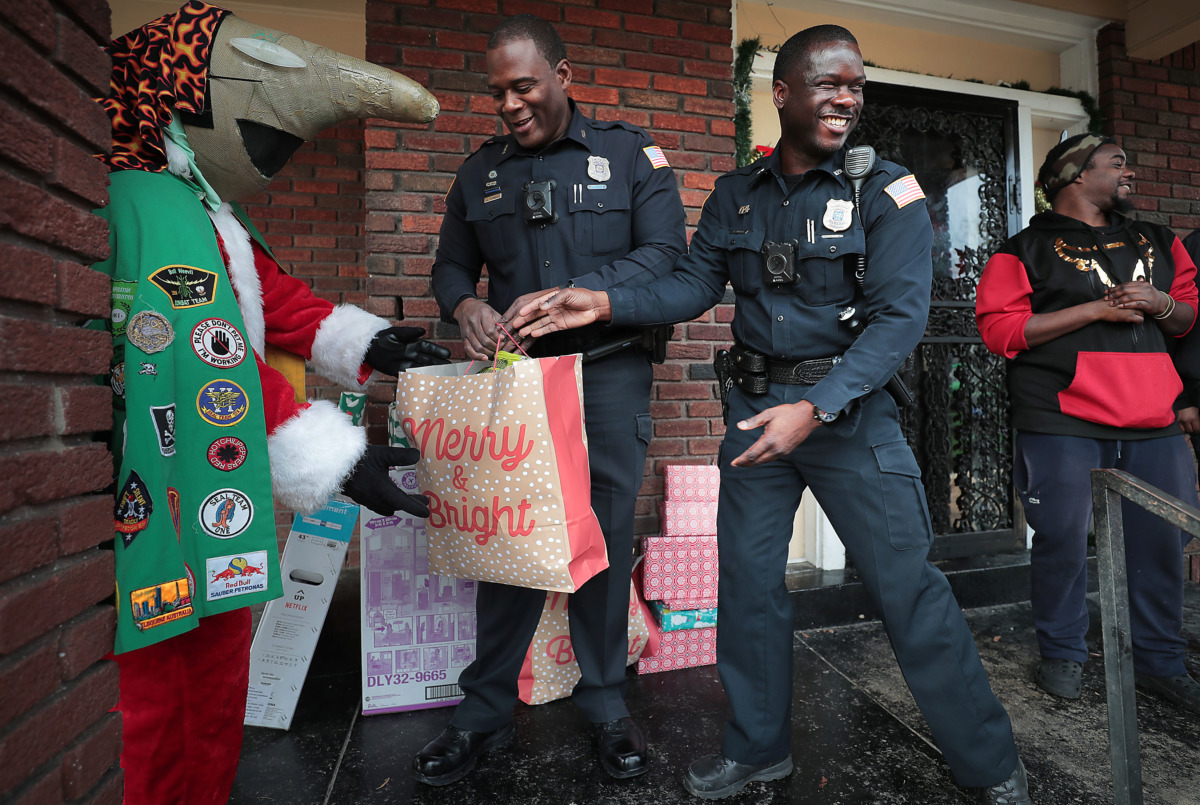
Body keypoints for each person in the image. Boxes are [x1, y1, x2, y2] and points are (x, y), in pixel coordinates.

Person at [513, 24, 1032, 804]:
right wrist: (605, 299)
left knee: (906, 588)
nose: (847, 98)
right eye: (829, 83)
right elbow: (692, 285)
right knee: (751, 588)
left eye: (856, 85)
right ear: (783, 94)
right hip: (757, 414)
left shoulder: (885, 191)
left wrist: (814, 409)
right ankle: (759, 750)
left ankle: (991, 764)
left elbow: (898, 322)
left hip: (850, 417)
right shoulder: (737, 195)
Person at [95, 5, 446, 803]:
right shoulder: (145, 204)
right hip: (161, 487)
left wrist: (372, 343)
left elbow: (273, 299)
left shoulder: (205, 205)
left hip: (204, 486)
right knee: (156, 697)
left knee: (215, 674)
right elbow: (209, 352)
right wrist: (338, 459)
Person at [411, 14, 687, 786]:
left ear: (563, 76)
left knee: (595, 539)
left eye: (523, 85)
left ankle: (605, 705)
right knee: (511, 543)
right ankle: (482, 711)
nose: (509, 104)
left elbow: (667, 258)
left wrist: (587, 293)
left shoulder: (631, 156)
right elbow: (450, 270)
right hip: (519, 382)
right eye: (497, 91)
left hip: (607, 374)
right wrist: (465, 307)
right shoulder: (480, 173)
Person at [978, 132, 1200, 713]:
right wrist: (1095, 309)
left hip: (1154, 418)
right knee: (1063, 542)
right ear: (1076, 175)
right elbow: (1001, 332)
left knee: (1163, 540)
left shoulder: (1160, 240)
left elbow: (1187, 319)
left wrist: (1162, 305)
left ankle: (1160, 662)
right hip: (1062, 416)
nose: (1130, 173)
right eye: (1117, 164)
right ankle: (1063, 653)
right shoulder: (1022, 250)